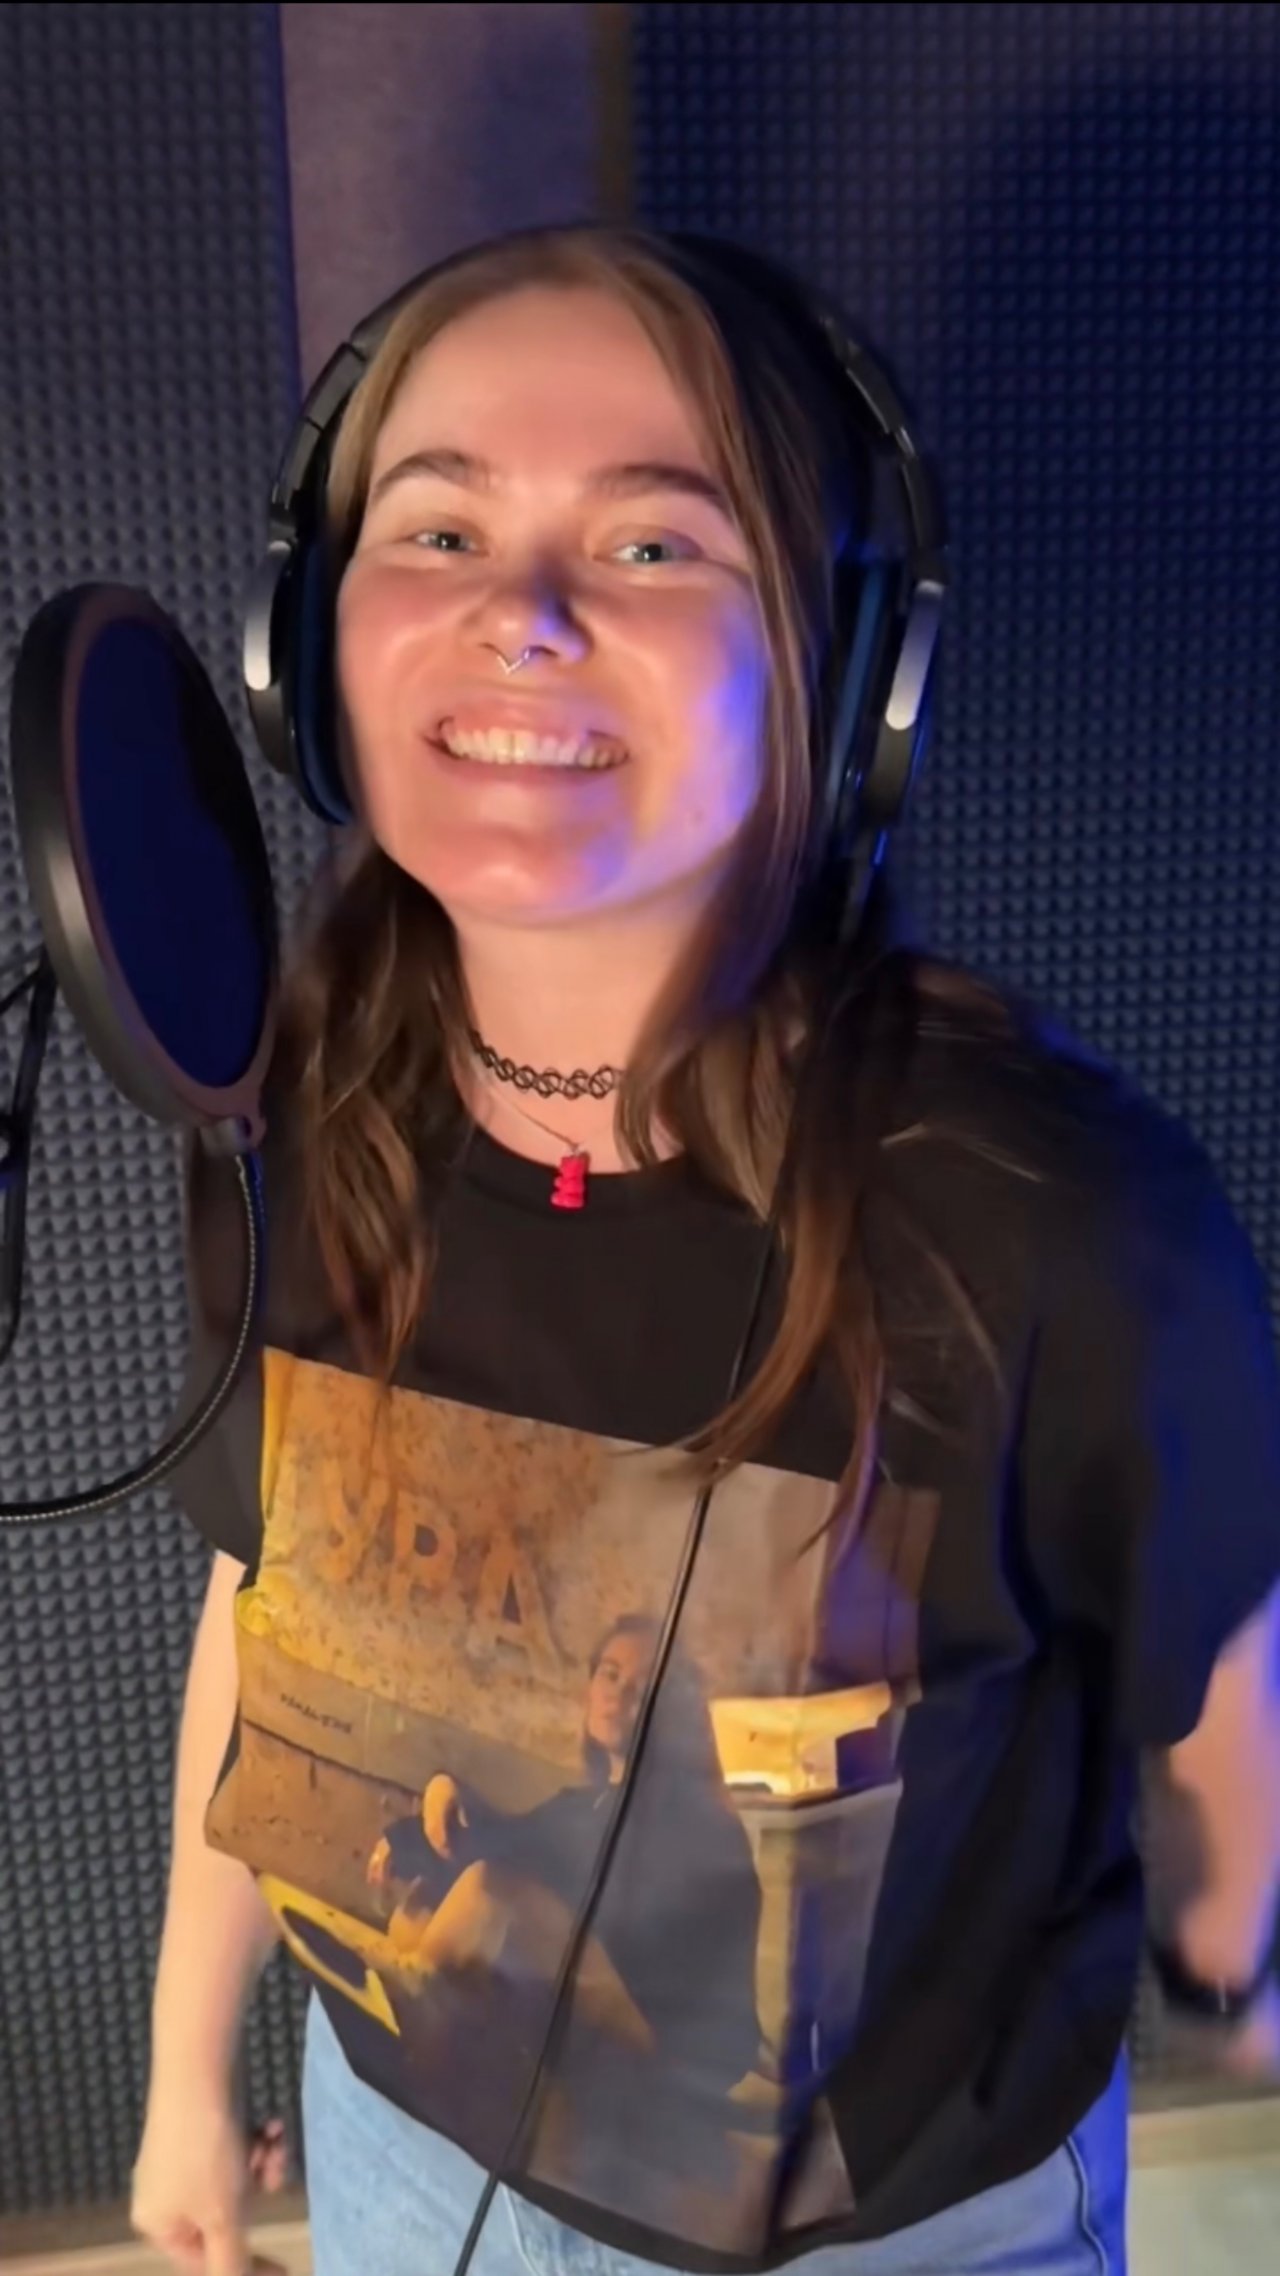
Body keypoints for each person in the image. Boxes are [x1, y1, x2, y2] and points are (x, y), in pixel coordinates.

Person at [128, 223, 1280, 2276]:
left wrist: (1229, 1964)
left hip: (893, 2230)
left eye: (654, 543)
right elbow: (265, 1594)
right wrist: (183, 2068)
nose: (523, 616)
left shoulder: (1051, 1213)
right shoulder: (289, 1118)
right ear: (308, 641)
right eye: (439, 527)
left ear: (853, 676)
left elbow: (1211, 1678)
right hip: (401, 2148)